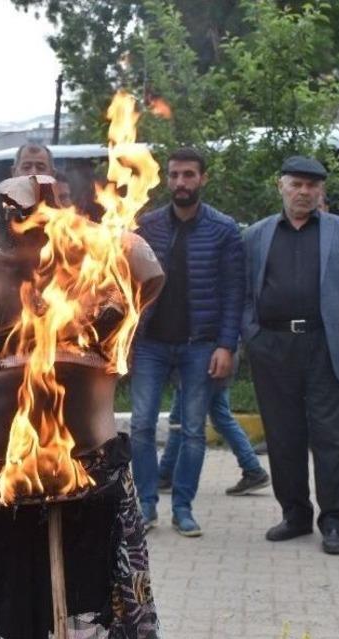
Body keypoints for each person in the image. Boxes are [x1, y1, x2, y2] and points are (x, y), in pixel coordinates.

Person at [0, 173, 166, 639]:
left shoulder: (112, 251)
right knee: (9, 588)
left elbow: (149, 276)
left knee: (87, 589)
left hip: (88, 458)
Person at [242, 155, 339, 555]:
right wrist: (252, 337)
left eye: (311, 186)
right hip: (273, 347)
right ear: (280, 186)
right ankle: (295, 515)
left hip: (326, 346)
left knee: (332, 437)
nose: (303, 192)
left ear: (322, 191)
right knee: (283, 436)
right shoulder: (256, 235)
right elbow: (245, 291)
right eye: (296, 184)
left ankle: (335, 521)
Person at [132, 147, 245, 536]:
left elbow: (235, 292)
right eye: (175, 175)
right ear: (166, 179)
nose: (181, 182)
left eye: (189, 175)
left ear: (203, 179)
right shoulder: (147, 225)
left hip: (201, 344)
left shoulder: (224, 229)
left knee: (194, 430)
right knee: (142, 426)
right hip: (150, 343)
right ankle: (146, 506)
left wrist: (226, 345)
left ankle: (183, 507)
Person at [158, 369, 270, 496]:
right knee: (221, 418)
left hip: (197, 367)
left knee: (179, 421)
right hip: (215, 367)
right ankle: (253, 470)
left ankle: (165, 475)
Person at [0, 143, 54, 230]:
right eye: (26, 167)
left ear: (52, 174)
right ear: (14, 173)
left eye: (41, 168)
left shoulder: (63, 218)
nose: (33, 173)